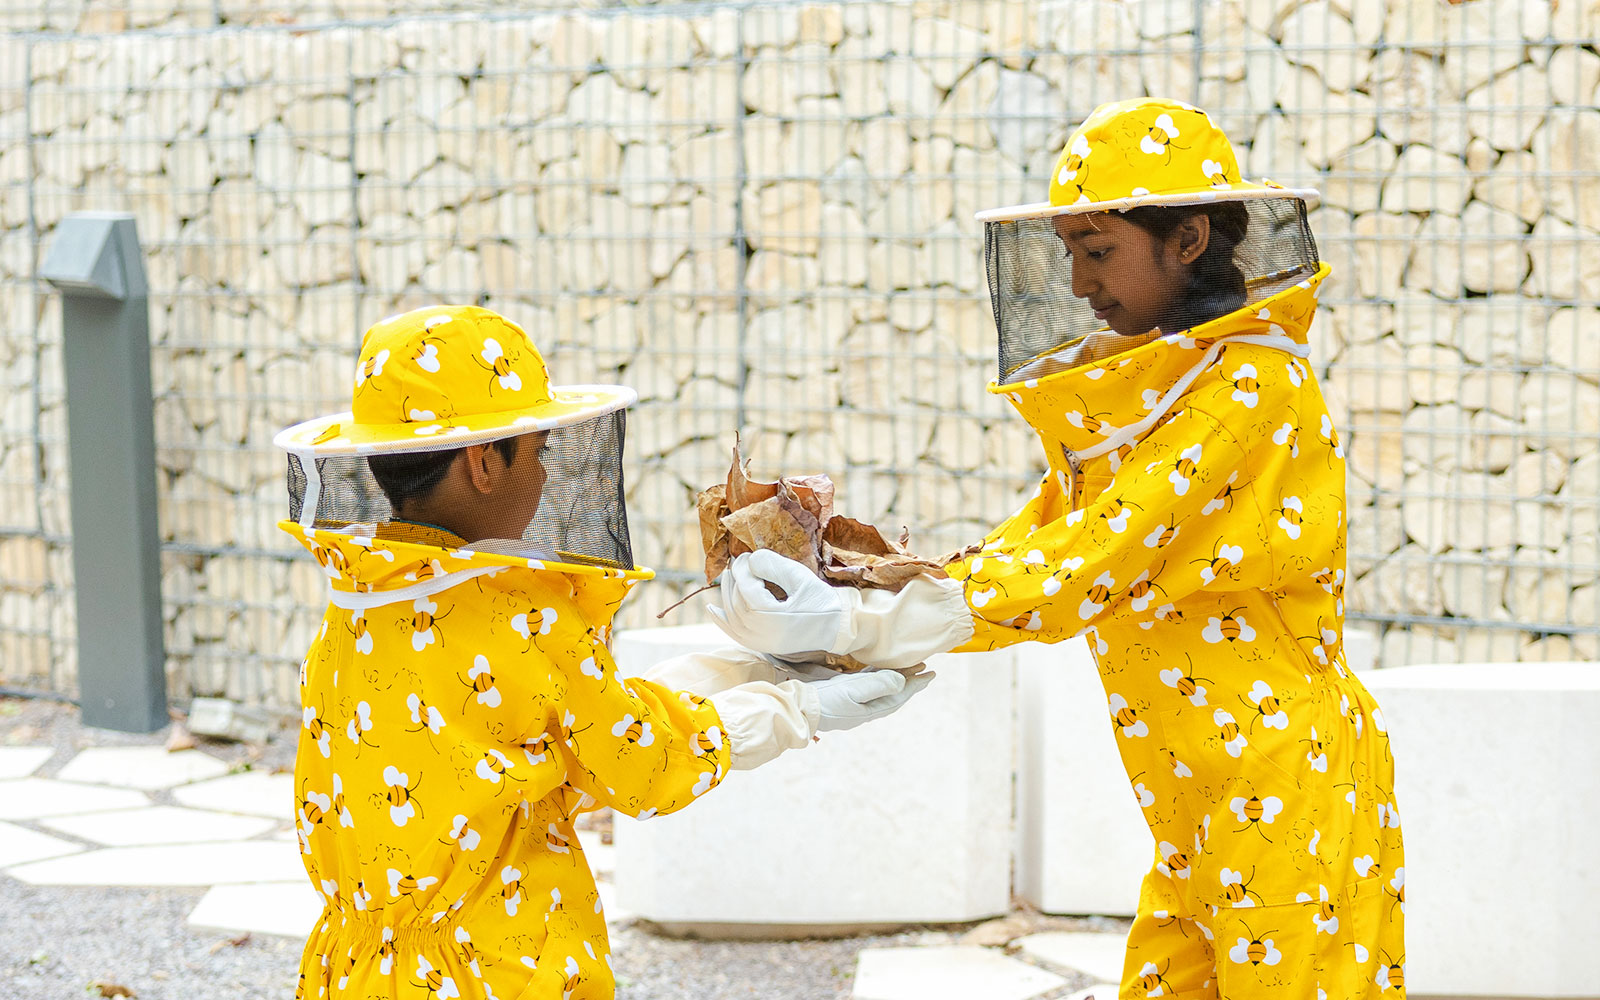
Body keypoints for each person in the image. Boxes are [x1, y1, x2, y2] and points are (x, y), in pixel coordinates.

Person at [713, 98, 1405, 999]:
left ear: (1188, 239)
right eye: (1073, 251)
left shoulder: (1253, 386)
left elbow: (1095, 559)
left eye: (1099, 249)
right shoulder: (1156, 396)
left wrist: (869, 622)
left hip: (1286, 791)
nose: (1079, 284)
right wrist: (865, 604)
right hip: (1194, 808)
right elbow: (1039, 541)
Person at [273, 304, 930, 1000]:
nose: (548, 474)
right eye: (540, 451)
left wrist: (736, 671)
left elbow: (540, 747)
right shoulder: (524, 614)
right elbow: (635, 763)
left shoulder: (357, 607)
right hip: (498, 966)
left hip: (358, 970)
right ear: (482, 462)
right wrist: (795, 708)